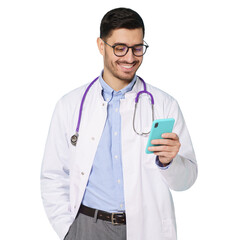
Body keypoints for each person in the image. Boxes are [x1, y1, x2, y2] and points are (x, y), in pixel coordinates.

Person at [41, 7, 197, 240]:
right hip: (86, 227)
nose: (130, 57)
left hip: (146, 227)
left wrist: (169, 163)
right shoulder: (70, 105)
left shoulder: (164, 105)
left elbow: (187, 180)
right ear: (101, 46)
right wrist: (69, 230)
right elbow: (52, 175)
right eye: (120, 48)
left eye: (137, 48)